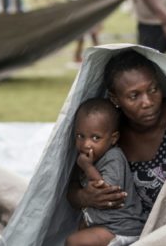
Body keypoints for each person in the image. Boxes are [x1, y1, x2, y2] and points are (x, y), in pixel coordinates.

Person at [67, 50, 166, 228]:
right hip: (129, 234)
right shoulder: (105, 135)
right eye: (134, 96)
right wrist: (86, 197)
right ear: (115, 99)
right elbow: (73, 185)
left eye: (152, 89)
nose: (148, 102)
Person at [66, 98, 146, 246]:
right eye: (80, 136)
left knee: (73, 242)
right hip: (103, 223)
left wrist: (87, 167)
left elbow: (105, 191)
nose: (86, 144)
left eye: (95, 138)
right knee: (79, 231)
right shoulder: (88, 157)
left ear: (113, 138)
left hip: (122, 228)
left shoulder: (113, 158)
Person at [62, 0, 100, 64]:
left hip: (80, 2)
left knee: (90, 33)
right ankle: (99, 55)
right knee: (90, 33)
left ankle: (98, 55)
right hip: (83, 3)